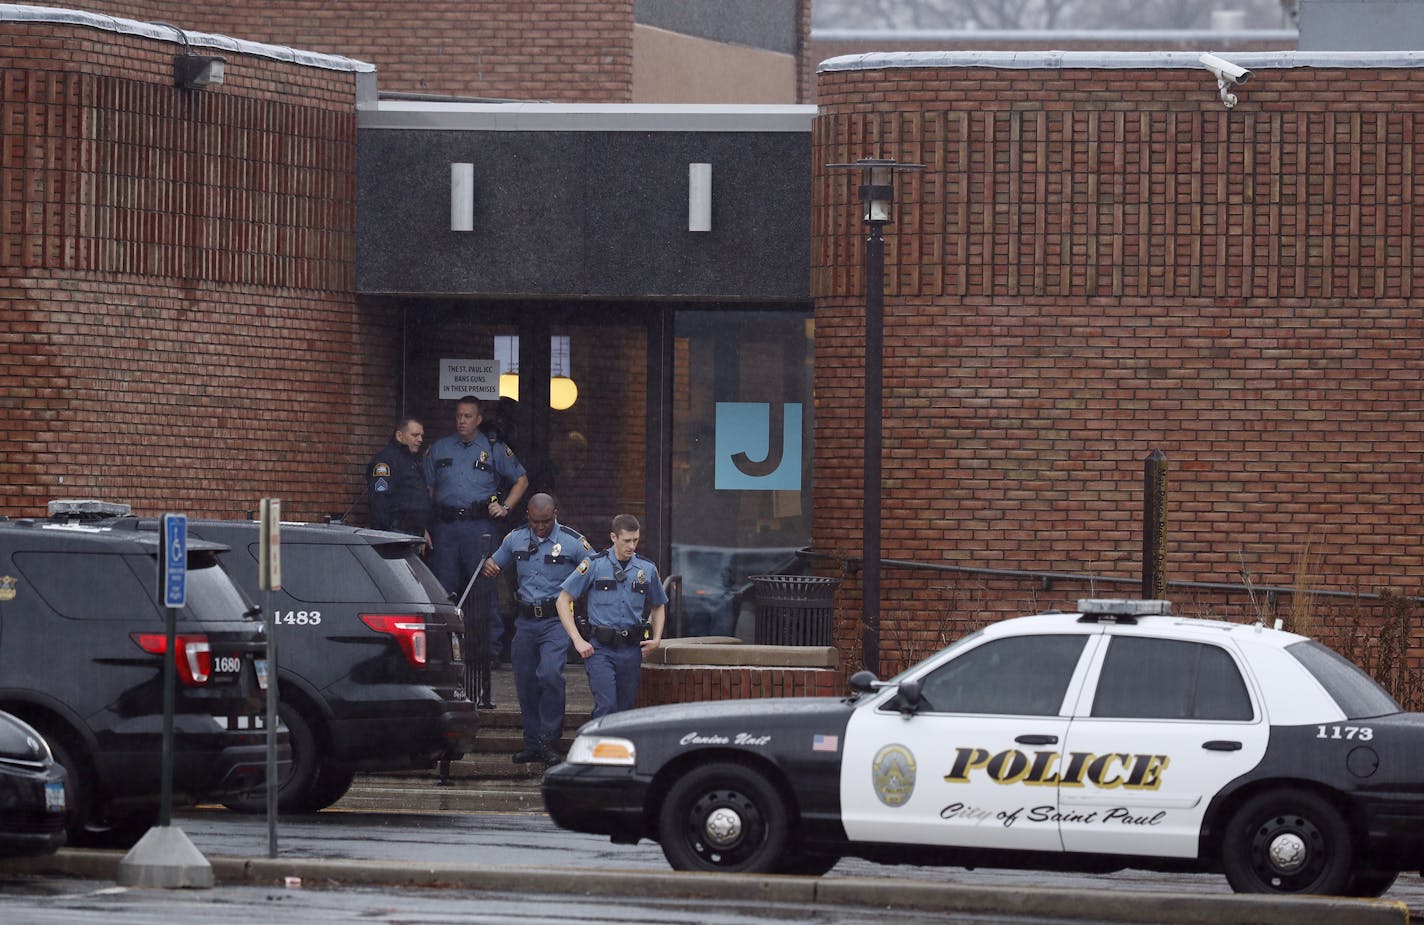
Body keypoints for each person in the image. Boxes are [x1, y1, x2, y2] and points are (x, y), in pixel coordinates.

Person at [482, 493, 591, 764]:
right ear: (528, 516)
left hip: (556, 620)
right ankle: (532, 743)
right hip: (526, 620)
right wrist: (489, 565)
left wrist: (576, 594)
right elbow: (495, 562)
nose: (540, 527)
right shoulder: (516, 538)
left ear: (555, 513)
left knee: (551, 674)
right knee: (526, 680)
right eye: (535, 521)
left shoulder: (572, 541)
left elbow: (596, 570)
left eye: (545, 521)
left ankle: (548, 740)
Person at [424, 396, 529, 660]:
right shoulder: (440, 448)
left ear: (479, 419)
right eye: (459, 416)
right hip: (446, 527)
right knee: (443, 588)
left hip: (479, 528)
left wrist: (505, 507)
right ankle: (444, 651)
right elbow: (427, 489)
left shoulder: (493, 448)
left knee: (483, 588)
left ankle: (487, 652)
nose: (462, 421)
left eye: (468, 416)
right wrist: (424, 525)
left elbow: (521, 480)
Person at [557, 514, 666, 719]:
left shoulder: (646, 568)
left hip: (631, 649)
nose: (632, 546)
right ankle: (597, 750)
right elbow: (563, 600)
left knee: (625, 711)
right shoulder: (595, 565)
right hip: (601, 649)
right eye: (627, 540)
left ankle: (619, 751)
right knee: (606, 705)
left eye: (635, 540)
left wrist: (657, 638)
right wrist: (577, 640)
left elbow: (658, 604)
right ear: (613, 537)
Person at [366, 417, 432, 538]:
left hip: (413, 532)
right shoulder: (385, 461)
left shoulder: (412, 460)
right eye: (415, 435)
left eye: (421, 435)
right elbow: (380, 502)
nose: (420, 439)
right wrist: (387, 536)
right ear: (399, 436)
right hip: (395, 534)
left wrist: (421, 530)